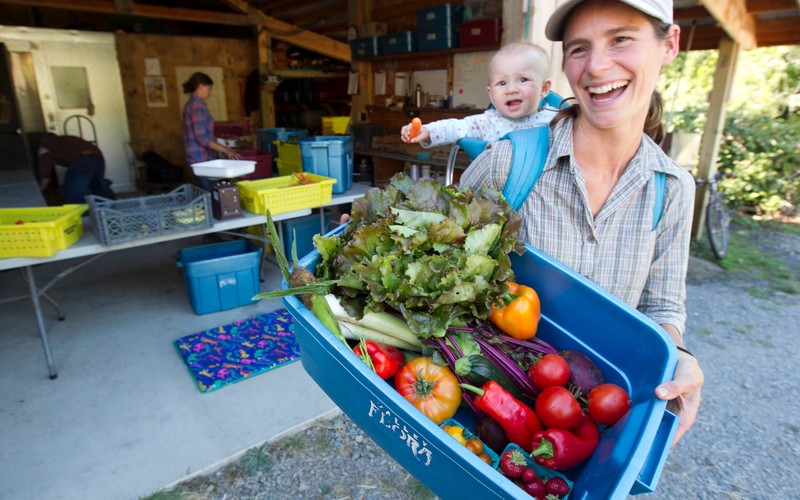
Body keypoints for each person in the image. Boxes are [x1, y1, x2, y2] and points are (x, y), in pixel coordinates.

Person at [459, 0, 703, 446]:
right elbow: (441, 253)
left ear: (669, 45)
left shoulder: (673, 188)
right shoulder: (508, 163)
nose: (596, 66)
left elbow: (663, 307)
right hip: (490, 411)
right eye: (579, 48)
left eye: (621, 39)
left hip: (597, 421)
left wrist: (679, 356)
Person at [400, 41, 557, 147]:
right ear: (491, 95)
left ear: (544, 88)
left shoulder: (557, 122)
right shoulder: (488, 123)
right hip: (497, 187)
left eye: (523, 80)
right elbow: (455, 127)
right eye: (502, 83)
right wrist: (427, 131)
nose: (511, 89)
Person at [181, 71, 239, 190]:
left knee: (203, 193)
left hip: (196, 157)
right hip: (201, 159)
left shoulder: (191, 104)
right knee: (210, 193)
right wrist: (226, 150)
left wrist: (220, 143)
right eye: (209, 88)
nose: (210, 92)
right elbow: (202, 137)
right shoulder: (197, 106)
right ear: (200, 86)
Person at [37, 133, 116, 203]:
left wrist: (42, 188)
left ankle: (83, 215)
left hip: (82, 160)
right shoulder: (67, 140)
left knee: (72, 194)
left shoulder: (46, 146)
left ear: (44, 140)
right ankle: (110, 211)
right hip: (98, 157)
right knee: (100, 188)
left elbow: (45, 168)